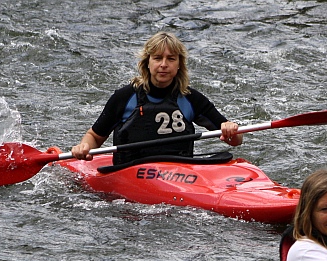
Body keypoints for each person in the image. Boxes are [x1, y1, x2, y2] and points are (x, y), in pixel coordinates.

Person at [71, 31, 242, 165]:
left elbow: (236, 141)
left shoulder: (190, 98)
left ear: (179, 64)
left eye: (171, 59)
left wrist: (230, 130)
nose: (164, 65)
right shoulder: (125, 97)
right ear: (147, 62)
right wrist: (84, 147)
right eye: (158, 58)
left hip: (180, 171)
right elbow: (94, 136)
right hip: (130, 170)